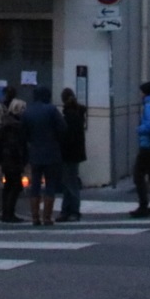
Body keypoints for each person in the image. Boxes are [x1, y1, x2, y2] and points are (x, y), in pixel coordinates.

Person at [21, 85, 66, 225]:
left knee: (35, 184)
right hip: (51, 151)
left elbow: (23, 133)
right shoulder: (52, 110)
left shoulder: (28, 111)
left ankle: (35, 216)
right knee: (50, 185)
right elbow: (63, 128)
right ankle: (47, 216)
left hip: (35, 152)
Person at [0, 98, 28, 223]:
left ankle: (6, 213)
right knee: (15, 186)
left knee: (8, 186)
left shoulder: (5, 123)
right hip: (13, 159)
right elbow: (17, 145)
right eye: (23, 109)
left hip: (5, 159)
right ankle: (9, 213)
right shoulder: (16, 126)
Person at [130, 80, 150, 217]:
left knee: (138, 175)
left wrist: (140, 129)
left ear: (144, 93)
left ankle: (143, 205)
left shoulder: (148, 106)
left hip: (147, 145)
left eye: (141, 92)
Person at [57, 87, 86, 221]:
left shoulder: (69, 116)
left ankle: (71, 210)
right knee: (70, 181)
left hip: (68, 153)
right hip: (76, 153)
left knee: (70, 183)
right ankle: (68, 210)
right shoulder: (77, 113)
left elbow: (67, 136)